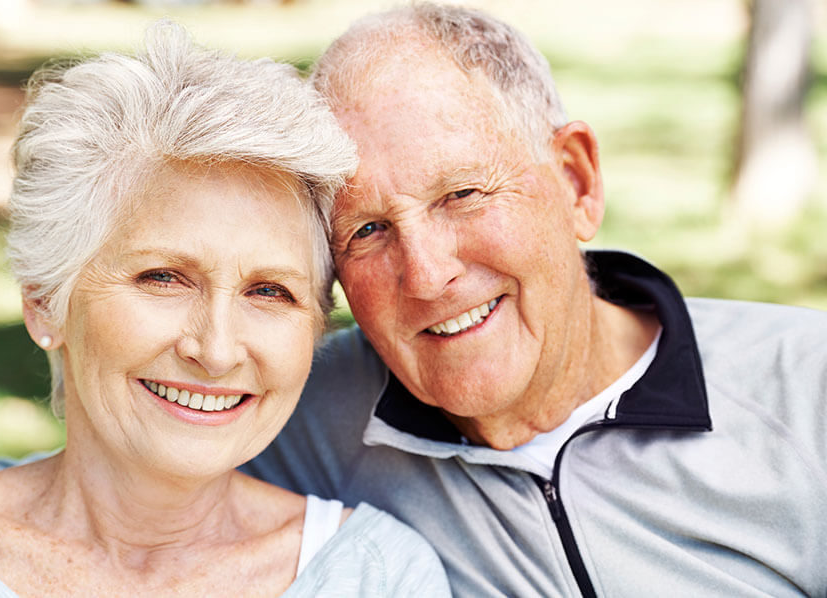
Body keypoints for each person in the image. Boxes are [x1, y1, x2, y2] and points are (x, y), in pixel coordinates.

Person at [241, 3, 827, 596]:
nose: (424, 275)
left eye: (462, 194)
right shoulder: (292, 415)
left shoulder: (805, 391)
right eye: (366, 231)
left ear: (577, 182)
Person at [0, 21, 451, 597]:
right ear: (43, 302)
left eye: (270, 291)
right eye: (163, 278)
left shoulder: (377, 577)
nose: (217, 350)